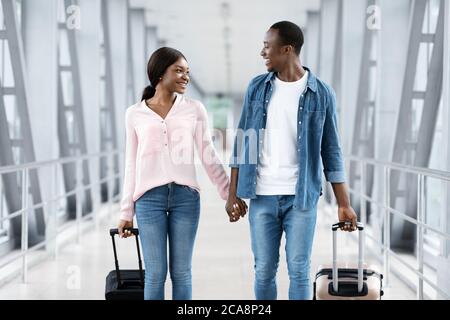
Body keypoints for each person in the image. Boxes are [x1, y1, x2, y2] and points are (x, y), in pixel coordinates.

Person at [226, 21, 358, 300]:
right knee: (263, 270)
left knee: (299, 269)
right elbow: (243, 142)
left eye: (267, 46)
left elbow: (331, 151)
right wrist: (232, 193)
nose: (262, 52)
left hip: (302, 198)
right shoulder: (257, 88)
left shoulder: (321, 93)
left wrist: (344, 204)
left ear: (287, 49)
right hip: (262, 195)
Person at [117, 47, 246, 300]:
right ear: (159, 73)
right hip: (148, 200)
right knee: (155, 273)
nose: (185, 76)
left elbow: (208, 153)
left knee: (182, 272)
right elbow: (130, 164)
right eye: (179, 70)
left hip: (186, 198)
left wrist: (229, 193)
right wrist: (126, 212)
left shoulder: (194, 108)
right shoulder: (134, 114)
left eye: (188, 72)